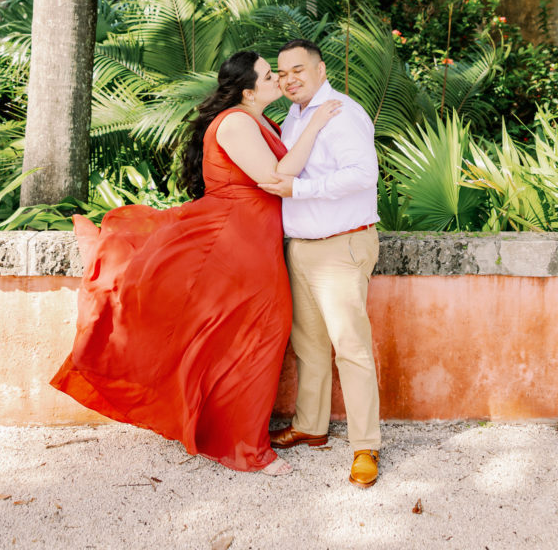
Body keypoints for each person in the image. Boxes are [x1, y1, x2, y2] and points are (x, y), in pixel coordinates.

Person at [50, 50, 341, 476]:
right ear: (248, 90)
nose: (277, 78)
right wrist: (315, 125)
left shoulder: (258, 120)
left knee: (251, 333)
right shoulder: (238, 122)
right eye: (268, 74)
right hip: (234, 240)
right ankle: (248, 450)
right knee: (261, 331)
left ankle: (229, 433)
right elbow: (275, 177)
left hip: (252, 239)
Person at [259, 39, 381, 488]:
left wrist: (300, 192)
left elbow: (362, 175)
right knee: (308, 345)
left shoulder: (341, 112)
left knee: (350, 347)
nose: (289, 78)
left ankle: (365, 445)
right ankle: (311, 426)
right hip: (303, 246)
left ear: (320, 69)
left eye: (298, 69)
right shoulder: (296, 114)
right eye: (282, 72)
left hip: (341, 246)